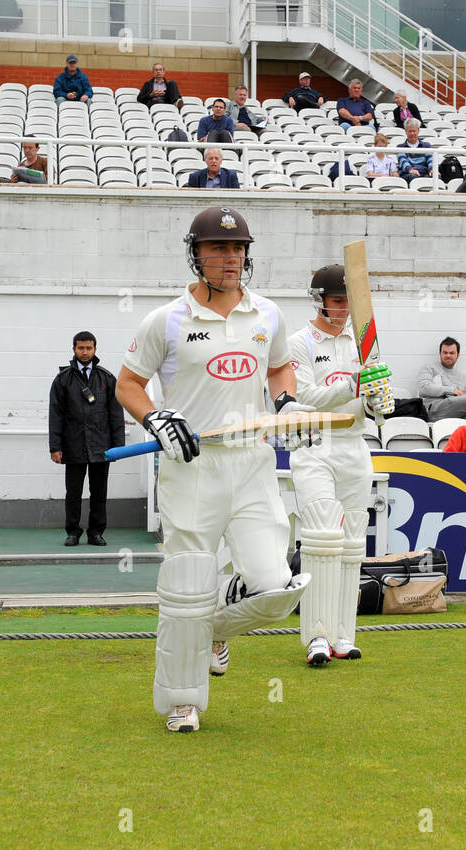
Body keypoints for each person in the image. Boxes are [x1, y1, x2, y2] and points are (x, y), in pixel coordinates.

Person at [114, 206, 313, 733]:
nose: (230, 258)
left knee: (274, 588)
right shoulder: (166, 320)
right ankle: (183, 700)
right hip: (191, 467)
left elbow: (277, 369)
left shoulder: (268, 315)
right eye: (219, 249)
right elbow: (128, 385)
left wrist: (288, 403)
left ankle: (214, 630)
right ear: (196, 254)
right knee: (186, 585)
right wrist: (155, 416)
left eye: (238, 249)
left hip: (252, 464)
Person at [288, 264, 394, 665]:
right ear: (319, 301)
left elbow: (379, 405)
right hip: (314, 445)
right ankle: (317, 636)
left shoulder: (363, 344)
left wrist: (377, 400)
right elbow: (304, 395)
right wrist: (353, 384)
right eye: (337, 301)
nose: (344, 309)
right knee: (320, 540)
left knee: (351, 544)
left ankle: (344, 635)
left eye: (349, 302)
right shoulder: (299, 342)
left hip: (354, 445)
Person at [49, 331, 124, 547]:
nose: (85, 352)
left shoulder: (107, 378)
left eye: (88, 348)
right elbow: (56, 415)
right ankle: (73, 532)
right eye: (81, 348)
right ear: (73, 349)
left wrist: (118, 447)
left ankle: (96, 533)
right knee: (73, 493)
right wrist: (56, 447)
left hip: (102, 447)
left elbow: (116, 415)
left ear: (95, 349)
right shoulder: (63, 380)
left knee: (99, 493)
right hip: (73, 446)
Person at [417, 337, 466, 420]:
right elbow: (423, 388)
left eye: (452, 353)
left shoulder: (462, 377)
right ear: (440, 354)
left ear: (457, 355)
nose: (448, 355)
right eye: (445, 352)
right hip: (433, 410)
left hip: (456, 411)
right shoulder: (429, 368)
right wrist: (451, 390)